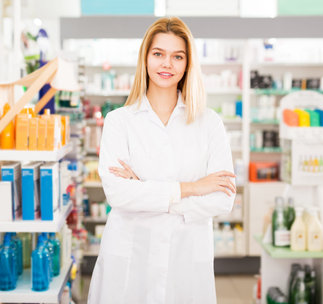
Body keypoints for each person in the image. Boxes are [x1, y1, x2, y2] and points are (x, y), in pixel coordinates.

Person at [87, 16, 236, 304]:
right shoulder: (120, 121)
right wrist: (192, 187)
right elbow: (118, 194)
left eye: (177, 56)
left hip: (186, 256)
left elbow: (222, 199)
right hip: (131, 255)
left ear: (187, 63)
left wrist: (145, 190)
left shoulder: (209, 123)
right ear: (145, 59)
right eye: (158, 54)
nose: (167, 64)